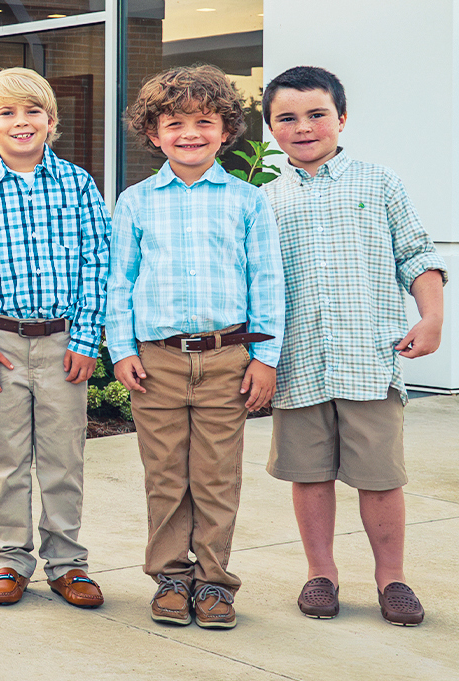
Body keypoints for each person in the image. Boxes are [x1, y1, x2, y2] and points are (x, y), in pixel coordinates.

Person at [260, 65, 443, 627]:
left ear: (341, 118)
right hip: (298, 361)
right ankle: (321, 574)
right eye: (287, 118)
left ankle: (393, 579)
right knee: (309, 474)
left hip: (369, 359)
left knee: (381, 477)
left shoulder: (378, 182)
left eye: (317, 114)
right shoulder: (263, 200)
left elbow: (416, 254)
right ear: (271, 128)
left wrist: (432, 317)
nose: (303, 127)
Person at [108, 65, 285, 630]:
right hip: (156, 359)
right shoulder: (136, 202)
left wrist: (265, 358)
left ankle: (213, 582)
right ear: (154, 133)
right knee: (164, 476)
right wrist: (121, 349)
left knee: (216, 476)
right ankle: (170, 578)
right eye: (175, 123)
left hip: (227, 358)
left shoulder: (247, 201)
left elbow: (266, 281)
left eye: (204, 121)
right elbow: (119, 281)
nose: (190, 133)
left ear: (226, 130)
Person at [0, 67, 110, 609]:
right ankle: (10, 560)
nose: (21, 122)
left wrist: (86, 339)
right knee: (6, 457)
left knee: (64, 457)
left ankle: (67, 563)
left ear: (51, 120)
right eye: (7, 113)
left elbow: (97, 262)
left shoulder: (78, 185)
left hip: (64, 343)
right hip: (2, 345)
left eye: (32, 111)